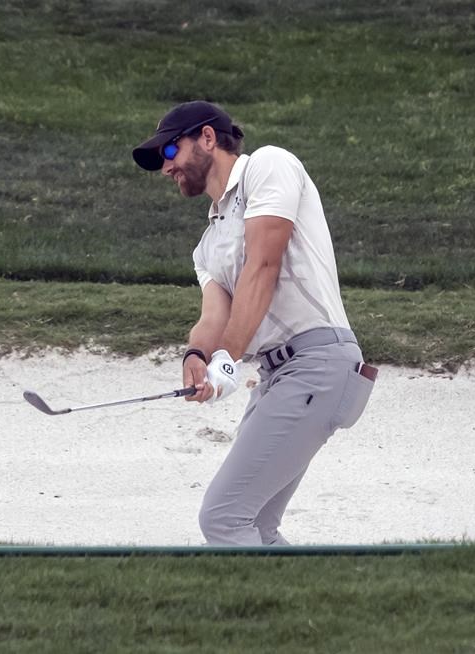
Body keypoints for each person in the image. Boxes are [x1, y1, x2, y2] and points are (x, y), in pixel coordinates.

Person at [131, 101, 376, 546]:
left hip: (318, 362)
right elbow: (214, 316)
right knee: (257, 527)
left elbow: (264, 264)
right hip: (279, 377)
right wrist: (198, 355)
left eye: (170, 152)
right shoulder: (207, 245)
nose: (166, 168)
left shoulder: (269, 165)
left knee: (223, 518)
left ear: (208, 138)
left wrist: (227, 358)